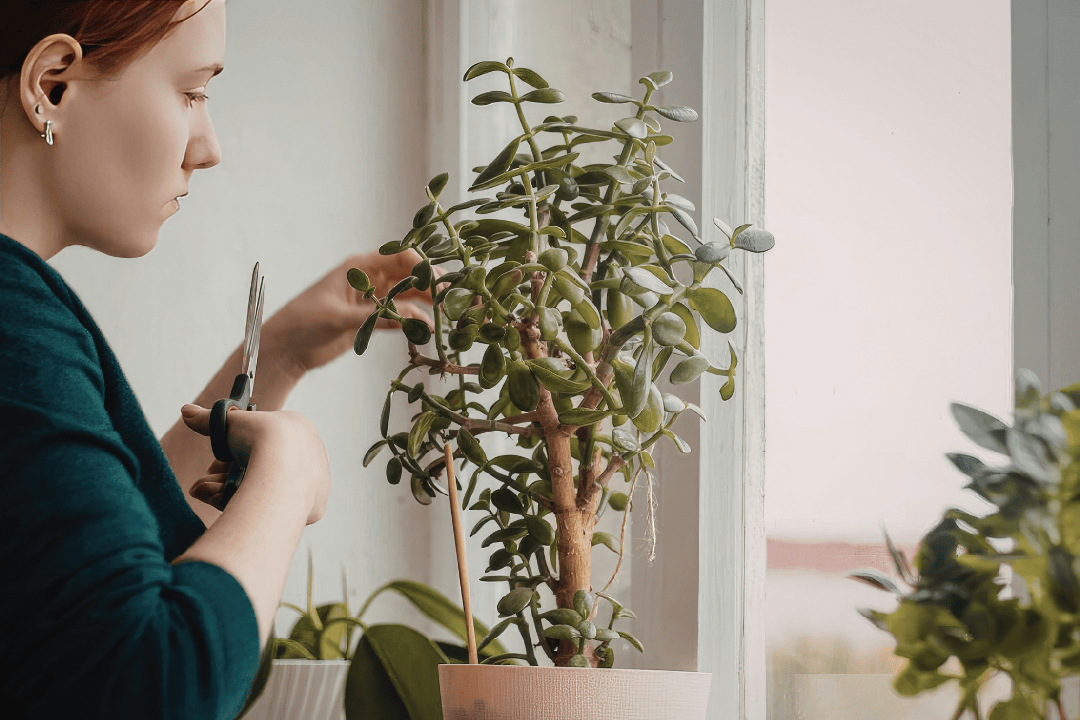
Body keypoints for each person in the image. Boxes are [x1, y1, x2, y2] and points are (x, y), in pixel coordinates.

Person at [0, 1, 433, 717]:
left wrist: (282, 350)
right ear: (52, 85)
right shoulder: (16, 322)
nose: (209, 146)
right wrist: (289, 478)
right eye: (192, 92)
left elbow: (96, 551)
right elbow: (158, 683)